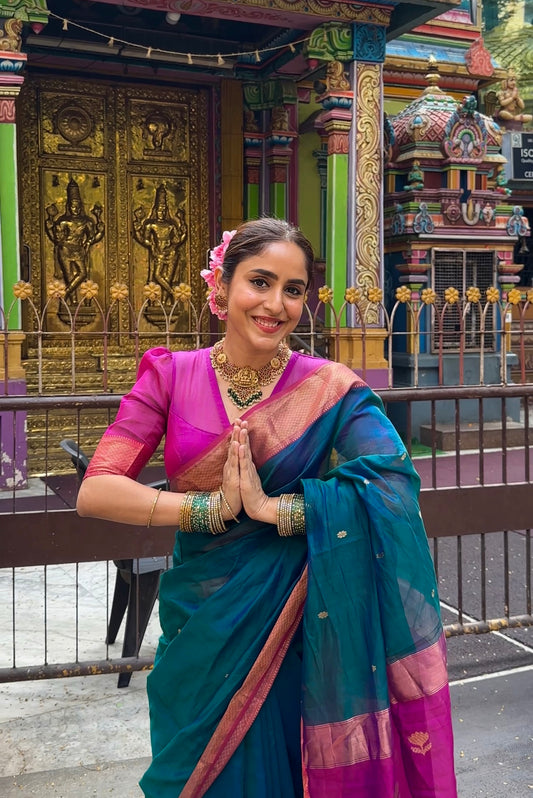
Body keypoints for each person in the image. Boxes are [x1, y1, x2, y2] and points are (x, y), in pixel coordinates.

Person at [77, 217, 457, 798]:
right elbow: (97, 488)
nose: (275, 304)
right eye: (259, 281)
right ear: (222, 287)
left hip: (296, 627)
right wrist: (207, 509)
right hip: (202, 625)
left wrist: (275, 509)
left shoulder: (330, 388)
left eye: (294, 289)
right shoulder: (171, 376)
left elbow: (392, 486)